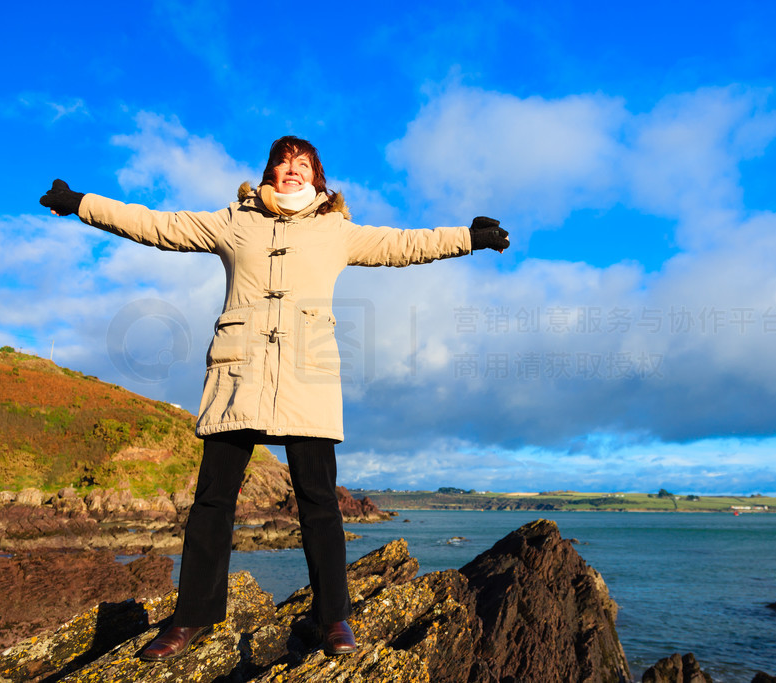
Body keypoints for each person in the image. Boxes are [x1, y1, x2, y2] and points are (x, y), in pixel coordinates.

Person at [39, 136, 509, 662]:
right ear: (269, 172)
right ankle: (191, 619)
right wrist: (82, 203)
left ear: (318, 178)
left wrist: (468, 237)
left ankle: (334, 619)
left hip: (308, 374)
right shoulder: (232, 221)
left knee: (319, 502)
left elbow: (404, 244)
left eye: (303, 165)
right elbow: (157, 225)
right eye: (284, 163)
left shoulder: (337, 230)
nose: (293, 171)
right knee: (213, 501)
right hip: (237, 371)